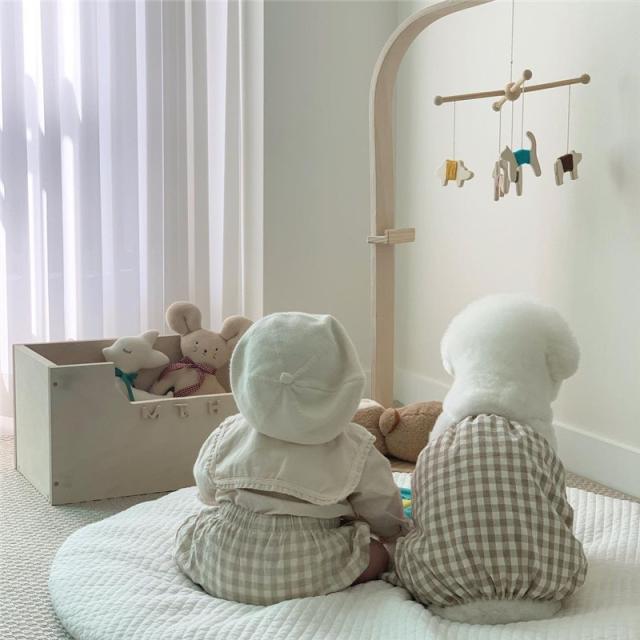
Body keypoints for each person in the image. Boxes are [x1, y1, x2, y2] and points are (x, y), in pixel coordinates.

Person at [175, 312, 408, 605]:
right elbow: (381, 504)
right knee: (376, 554)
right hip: (307, 563)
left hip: (224, 558)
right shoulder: (355, 446)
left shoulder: (230, 431)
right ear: (346, 383)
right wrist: (393, 531)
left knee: (192, 529)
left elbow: (206, 485)